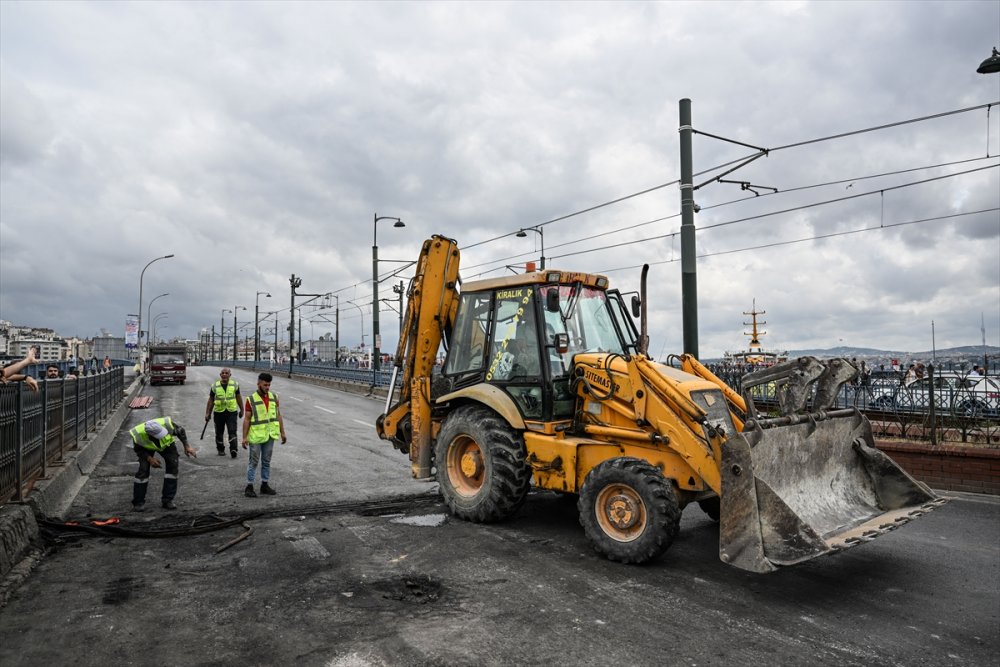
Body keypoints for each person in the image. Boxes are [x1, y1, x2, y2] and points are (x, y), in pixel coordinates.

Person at [128, 417, 196, 511]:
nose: (162, 435)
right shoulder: (138, 434)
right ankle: (138, 502)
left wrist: (187, 446)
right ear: (150, 435)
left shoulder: (166, 424)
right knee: (143, 470)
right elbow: (138, 450)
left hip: (166, 445)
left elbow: (181, 431)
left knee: (173, 465)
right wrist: (150, 459)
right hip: (145, 449)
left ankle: (168, 500)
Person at [241, 372, 287, 498]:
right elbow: (247, 419)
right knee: (253, 462)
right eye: (265, 385)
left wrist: (282, 432)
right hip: (256, 436)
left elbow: (278, 415)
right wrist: (244, 437)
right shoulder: (251, 399)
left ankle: (264, 485)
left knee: (266, 461)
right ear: (258, 384)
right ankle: (249, 486)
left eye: (269, 385)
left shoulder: (274, 397)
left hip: (270, 435)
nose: (267, 387)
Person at [205, 368, 243, 458]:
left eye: (227, 373)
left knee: (232, 431)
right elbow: (211, 400)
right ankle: (220, 449)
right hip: (219, 412)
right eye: (223, 373)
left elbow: (238, 397)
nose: (224, 375)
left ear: (230, 375)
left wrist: (242, 409)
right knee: (219, 432)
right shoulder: (215, 386)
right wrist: (208, 413)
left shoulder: (235, 384)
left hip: (231, 412)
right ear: (220, 375)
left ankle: (233, 449)